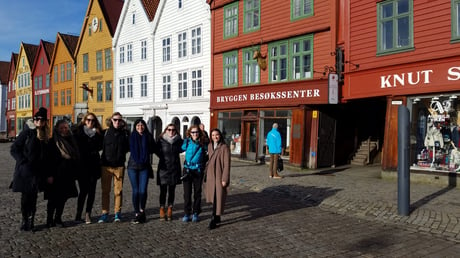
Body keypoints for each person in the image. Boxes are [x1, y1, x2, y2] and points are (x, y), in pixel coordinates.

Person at [10, 107, 52, 231]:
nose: (39, 121)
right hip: (25, 172)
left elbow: (47, 157)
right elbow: (14, 148)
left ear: (45, 122)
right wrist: (23, 161)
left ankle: (31, 220)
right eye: (37, 119)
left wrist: (48, 172)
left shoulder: (46, 136)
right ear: (34, 120)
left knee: (33, 198)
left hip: (37, 173)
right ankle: (24, 220)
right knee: (25, 198)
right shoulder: (27, 132)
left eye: (42, 119)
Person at [45, 120, 80, 228]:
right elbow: (47, 160)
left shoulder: (72, 140)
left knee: (63, 198)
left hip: (67, 174)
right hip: (55, 174)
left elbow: (75, 156)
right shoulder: (52, 142)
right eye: (61, 128)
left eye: (65, 127)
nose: (64, 130)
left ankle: (58, 218)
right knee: (53, 199)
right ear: (56, 129)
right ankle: (49, 219)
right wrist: (49, 175)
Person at [98, 112, 130, 223]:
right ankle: (105, 213)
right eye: (115, 119)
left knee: (118, 191)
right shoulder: (105, 133)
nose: (117, 122)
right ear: (111, 120)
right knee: (105, 191)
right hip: (106, 166)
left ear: (122, 121)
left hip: (119, 166)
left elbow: (129, 147)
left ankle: (117, 213)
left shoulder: (125, 134)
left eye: (119, 120)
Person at [73, 113, 103, 224]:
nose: (90, 122)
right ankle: (78, 213)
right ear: (84, 120)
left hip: (94, 166)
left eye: (93, 120)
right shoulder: (78, 132)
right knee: (83, 191)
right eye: (88, 120)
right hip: (82, 166)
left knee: (92, 192)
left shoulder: (98, 134)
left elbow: (101, 146)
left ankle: (87, 214)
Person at [127, 119, 155, 224]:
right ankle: (136, 212)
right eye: (138, 125)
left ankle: (142, 210)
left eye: (142, 125)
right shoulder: (131, 136)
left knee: (143, 190)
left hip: (144, 167)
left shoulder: (148, 136)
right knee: (136, 191)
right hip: (132, 167)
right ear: (135, 126)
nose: (140, 127)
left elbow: (155, 148)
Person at [155, 124, 183, 221]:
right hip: (164, 168)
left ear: (176, 131)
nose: (171, 131)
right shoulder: (161, 140)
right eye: (169, 129)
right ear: (166, 130)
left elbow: (183, 148)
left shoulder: (179, 140)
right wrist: (163, 159)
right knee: (163, 190)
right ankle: (162, 208)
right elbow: (156, 151)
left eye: (173, 130)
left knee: (172, 190)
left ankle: (170, 208)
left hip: (174, 168)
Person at [205, 128, 231, 230]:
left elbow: (227, 164)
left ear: (220, 135)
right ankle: (217, 216)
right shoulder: (210, 146)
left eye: (217, 135)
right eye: (213, 135)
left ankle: (213, 218)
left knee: (218, 197)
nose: (215, 137)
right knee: (213, 197)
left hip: (219, 176)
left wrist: (225, 178)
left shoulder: (224, 148)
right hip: (211, 176)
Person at [181, 125, 207, 222]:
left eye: (196, 132)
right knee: (187, 193)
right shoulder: (187, 142)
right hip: (187, 169)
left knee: (197, 193)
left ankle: (196, 212)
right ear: (189, 133)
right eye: (193, 132)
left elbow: (209, 150)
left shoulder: (203, 142)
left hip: (198, 170)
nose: (195, 134)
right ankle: (187, 213)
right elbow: (178, 148)